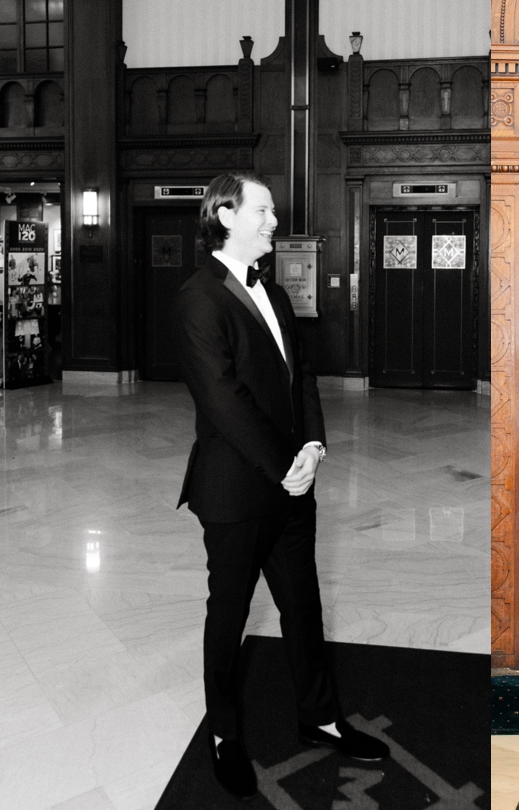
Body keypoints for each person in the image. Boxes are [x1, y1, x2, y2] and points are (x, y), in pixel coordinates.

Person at [173, 171, 388, 799]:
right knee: (229, 614)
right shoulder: (196, 298)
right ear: (226, 214)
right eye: (264, 211)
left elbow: (304, 381)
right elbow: (224, 400)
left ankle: (320, 717)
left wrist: (314, 447)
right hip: (237, 493)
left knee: (303, 606)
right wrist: (285, 463)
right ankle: (224, 735)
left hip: (294, 485)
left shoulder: (277, 294)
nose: (274, 221)